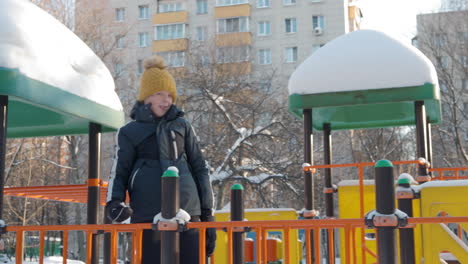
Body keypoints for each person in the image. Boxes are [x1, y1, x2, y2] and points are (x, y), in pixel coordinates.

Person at [105, 55, 216, 263]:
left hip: (188, 213)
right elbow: (119, 171)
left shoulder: (182, 125)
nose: (166, 101)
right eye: (159, 94)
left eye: (170, 95)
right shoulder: (130, 132)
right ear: (146, 97)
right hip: (149, 214)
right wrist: (114, 202)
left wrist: (207, 214)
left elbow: (200, 168)